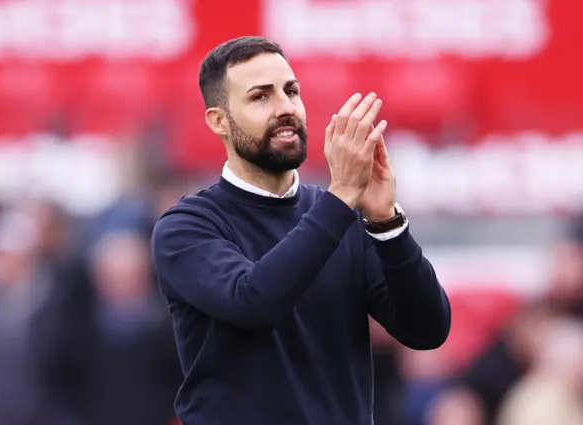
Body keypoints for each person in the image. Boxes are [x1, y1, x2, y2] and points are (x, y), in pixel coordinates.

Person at [151, 36, 451, 425]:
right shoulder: (186, 227)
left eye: (291, 91)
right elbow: (254, 301)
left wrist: (386, 222)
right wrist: (342, 195)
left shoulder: (341, 216)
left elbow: (427, 330)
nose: (286, 108)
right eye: (261, 97)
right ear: (218, 121)